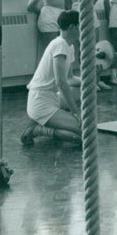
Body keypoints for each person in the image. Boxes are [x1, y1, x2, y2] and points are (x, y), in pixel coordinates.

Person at [20, 10, 82, 146]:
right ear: (73, 27)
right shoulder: (60, 44)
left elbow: (70, 79)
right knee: (84, 133)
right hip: (40, 101)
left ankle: (46, 121)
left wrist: (90, 82)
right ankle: (38, 130)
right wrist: (75, 112)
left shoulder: (69, 46)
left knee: (81, 91)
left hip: (52, 97)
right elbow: (61, 82)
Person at [67, 0, 108, 91]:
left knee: (96, 46)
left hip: (90, 10)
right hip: (77, 9)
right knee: (81, 47)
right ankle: (84, 80)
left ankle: (97, 79)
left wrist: (90, 4)